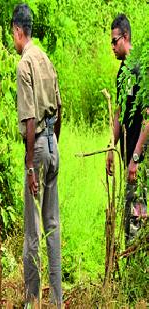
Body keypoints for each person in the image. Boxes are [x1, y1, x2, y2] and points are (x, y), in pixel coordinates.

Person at [11, 4, 62, 307]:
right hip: (53, 145)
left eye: (13, 35)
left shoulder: (25, 64)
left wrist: (31, 166)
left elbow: (29, 120)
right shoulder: (46, 59)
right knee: (53, 226)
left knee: (32, 230)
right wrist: (54, 145)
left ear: (18, 31)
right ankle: (57, 300)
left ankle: (32, 300)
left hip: (37, 149)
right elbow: (60, 106)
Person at [106, 14, 148, 245]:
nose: (112, 46)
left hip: (140, 160)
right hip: (128, 155)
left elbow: (147, 119)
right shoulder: (123, 72)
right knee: (129, 212)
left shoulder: (141, 69)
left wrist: (135, 157)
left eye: (114, 41)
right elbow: (119, 113)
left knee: (138, 215)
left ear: (126, 37)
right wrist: (111, 148)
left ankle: (136, 271)